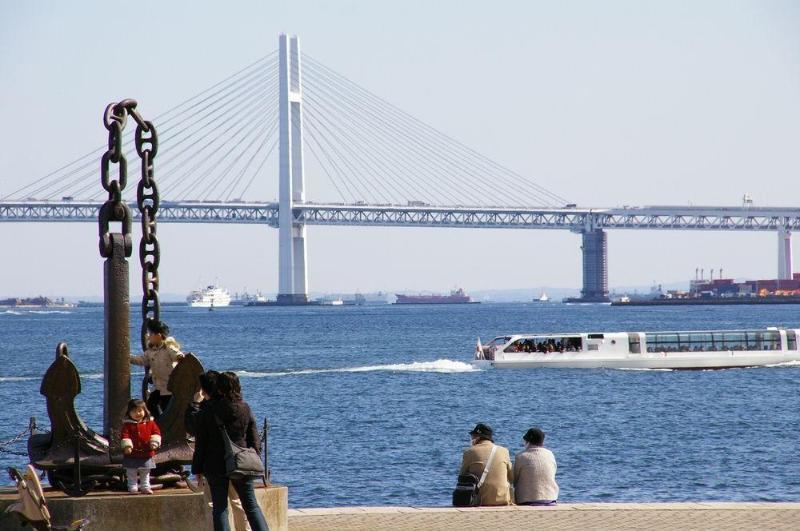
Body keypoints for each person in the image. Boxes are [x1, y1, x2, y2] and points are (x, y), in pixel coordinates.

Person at [192, 371, 269, 531]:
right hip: (240, 460)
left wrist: (197, 468)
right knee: (251, 506)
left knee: (220, 508)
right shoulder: (245, 408)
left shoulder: (209, 410)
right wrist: (254, 457)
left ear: (219, 389)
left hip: (214, 464)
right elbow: (254, 438)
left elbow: (201, 442)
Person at [130, 319, 184, 416]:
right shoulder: (151, 350)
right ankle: (160, 423)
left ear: (158, 335)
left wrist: (179, 357)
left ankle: (165, 425)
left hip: (170, 388)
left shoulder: (168, 348)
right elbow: (142, 360)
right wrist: (127, 357)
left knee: (167, 409)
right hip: (158, 387)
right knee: (151, 404)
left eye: (151, 334)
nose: (148, 336)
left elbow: (176, 354)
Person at [458, 423, 513, 506]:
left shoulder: (469, 452)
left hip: (479, 500)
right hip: (502, 500)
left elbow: (461, 477)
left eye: (472, 436)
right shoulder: (504, 451)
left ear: (477, 438)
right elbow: (512, 477)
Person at [120, 399, 161, 495]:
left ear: (145, 411)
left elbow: (156, 432)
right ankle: (132, 487)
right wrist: (127, 445)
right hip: (132, 453)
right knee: (131, 472)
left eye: (140, 411)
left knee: (145, 471)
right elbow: (124, 435)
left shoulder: (150, 423)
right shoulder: (127, 425)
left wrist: (154, 442)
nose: (137, 413)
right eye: (134, 411)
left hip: (146, 452)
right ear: (129, 413)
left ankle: (145, 487)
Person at [513, 427, 559, 506]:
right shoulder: (550, 454)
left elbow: (514, 479)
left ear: (527, 441)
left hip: (526, 499)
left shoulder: (521, 456)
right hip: (550, 498)